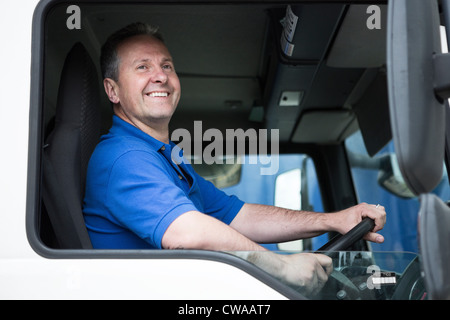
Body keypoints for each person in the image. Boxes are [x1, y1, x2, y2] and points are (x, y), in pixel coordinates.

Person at [83, 22, 386, 296]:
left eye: (167, 65)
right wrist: (283, 268)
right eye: (142, 67)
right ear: (113, 90)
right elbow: (188, 234)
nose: (160, 76)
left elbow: (240, 216)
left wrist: (333, 220)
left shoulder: (164, 158)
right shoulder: (123, 157)